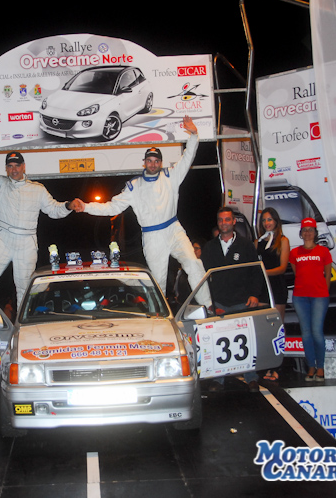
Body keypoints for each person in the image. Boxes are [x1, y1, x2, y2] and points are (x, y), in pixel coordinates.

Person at [73, 116, 210, 306]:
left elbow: (188, 157)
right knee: (158, 282)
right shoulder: (133, 186)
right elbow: (112, 207)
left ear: (160, 163)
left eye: (156, 161)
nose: (153, 164)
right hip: (152, 237)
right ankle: (159, 314)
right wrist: (86, 206)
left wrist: (194, 135)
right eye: (149, 160)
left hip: (174, 229)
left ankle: (208, 306)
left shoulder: (171, 176)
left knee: (194, 264)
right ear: (144, 162)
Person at [0, 124, 77, 324]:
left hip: (27, 241)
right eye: (10, 166)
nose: (14, 169)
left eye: (17, 165)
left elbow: (54, 210)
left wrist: (68, 205)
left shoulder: (38, 189)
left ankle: (24, 322)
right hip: (4, 237)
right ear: (6, 169)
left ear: (24, 167)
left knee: (25, 286)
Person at [202, 206, 262, 392]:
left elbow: (256, 272)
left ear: (234, 222)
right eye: (221, 220)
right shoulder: (209, 247)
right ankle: (218, 379)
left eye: (227, 219)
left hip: (241, 301)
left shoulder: (246, 245)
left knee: (246, 341)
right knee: (218, 341)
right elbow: (203, 277)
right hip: (219, 302)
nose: (224, 223)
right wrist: (209, 302)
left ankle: (251, 377)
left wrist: (254, 294)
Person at [290, 218, 332, 382]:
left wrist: (324, 292)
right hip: (300, 297)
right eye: (305, 230)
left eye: (311, 229)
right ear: (301, 233)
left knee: (317, 332)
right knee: (306, 334)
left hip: (319, 297)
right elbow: (297, 273)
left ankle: (320, 366)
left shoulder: (323, 251)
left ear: (315, 233)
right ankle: (311, 366)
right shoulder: (295, 253)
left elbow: (327, 274)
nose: (307, 233)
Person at [256, 207, 289, 381]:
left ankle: (278, 367)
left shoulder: (283, 240)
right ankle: (265, 366)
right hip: (262, 289)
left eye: (269, 219)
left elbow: (282, 268)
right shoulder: (258, 242)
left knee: (278, 329)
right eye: (264, 220)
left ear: (276, 221)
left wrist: (263, 273)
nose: (267, 223)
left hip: (277, 287)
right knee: (264, 330)